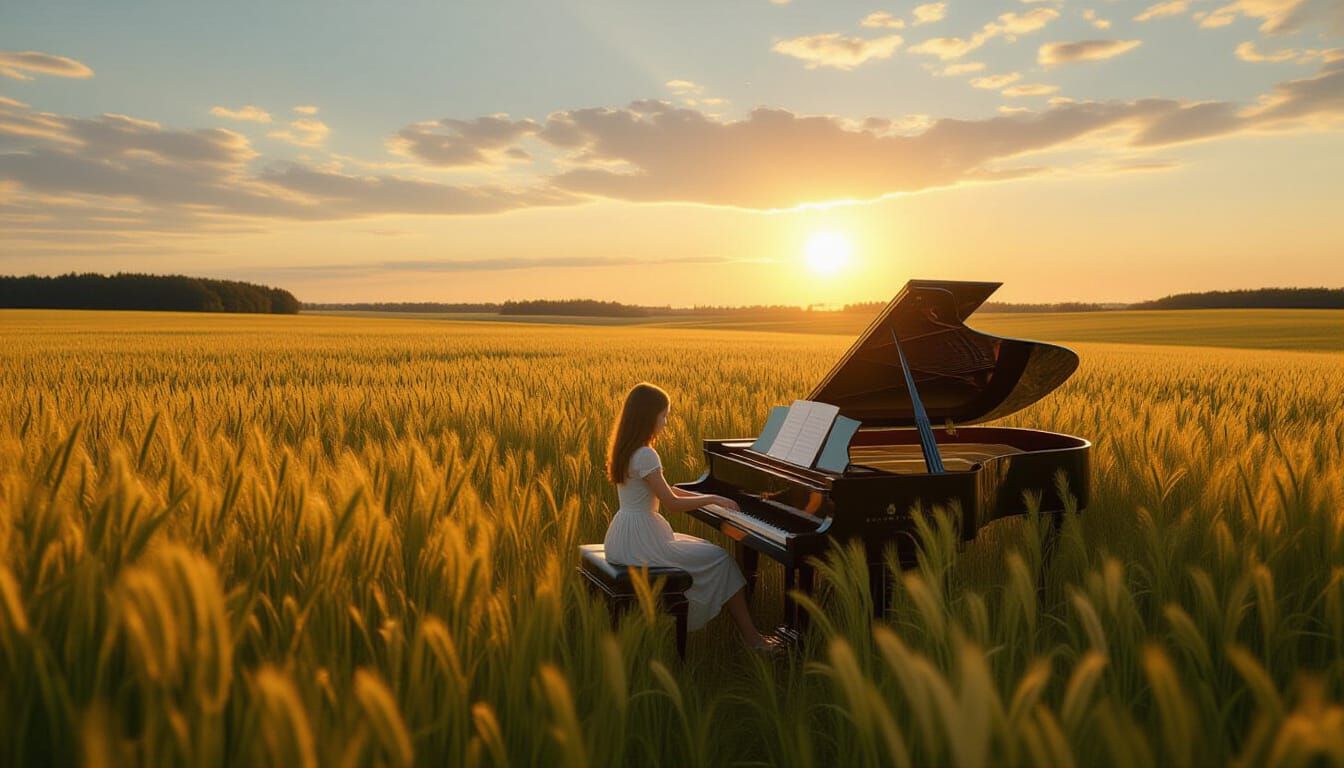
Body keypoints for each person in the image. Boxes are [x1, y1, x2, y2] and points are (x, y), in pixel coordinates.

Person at [603, 382, 780, 651]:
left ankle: (747, 636)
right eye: (664, 415)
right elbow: (672, 504)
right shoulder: (647, 454)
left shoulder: (626, 449)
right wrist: (712, 498)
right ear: (649, 417)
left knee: (705, 552)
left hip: (623, 537)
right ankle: (752, 639)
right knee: (722, 560)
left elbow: (664, 490)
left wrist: (695, 491)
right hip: (643, 543)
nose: (666, 422)